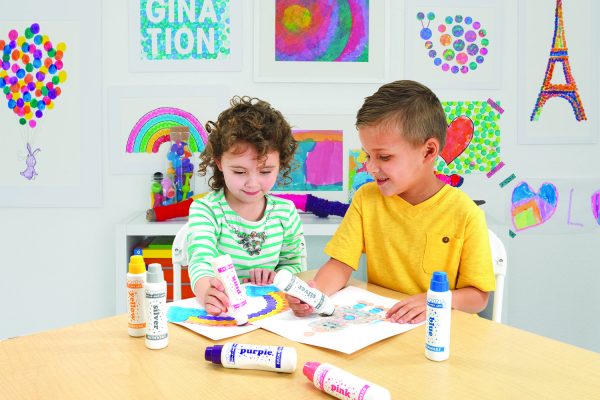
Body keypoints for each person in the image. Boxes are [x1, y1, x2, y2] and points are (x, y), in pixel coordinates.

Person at [287, 80, 495, 324]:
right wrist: (314, 294)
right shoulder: (366, 199)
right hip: (386, 324)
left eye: (384, 157)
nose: (371, 167)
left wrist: (434, 300)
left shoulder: (465, 213)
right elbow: (340, 264)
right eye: (368, 155)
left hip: (441, 330)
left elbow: (478, 297)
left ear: (428, 152)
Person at [188, 95, 305, 316]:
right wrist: (207, 292)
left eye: (265, 171)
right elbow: (200, 261)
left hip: (273, 313)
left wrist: (278, 277)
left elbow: (294, 265)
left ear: (280, 163)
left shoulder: (285, 212)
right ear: (219, 162)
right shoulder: (206, 210)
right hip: (226, 311)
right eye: (240, 172)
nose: (252, 183)